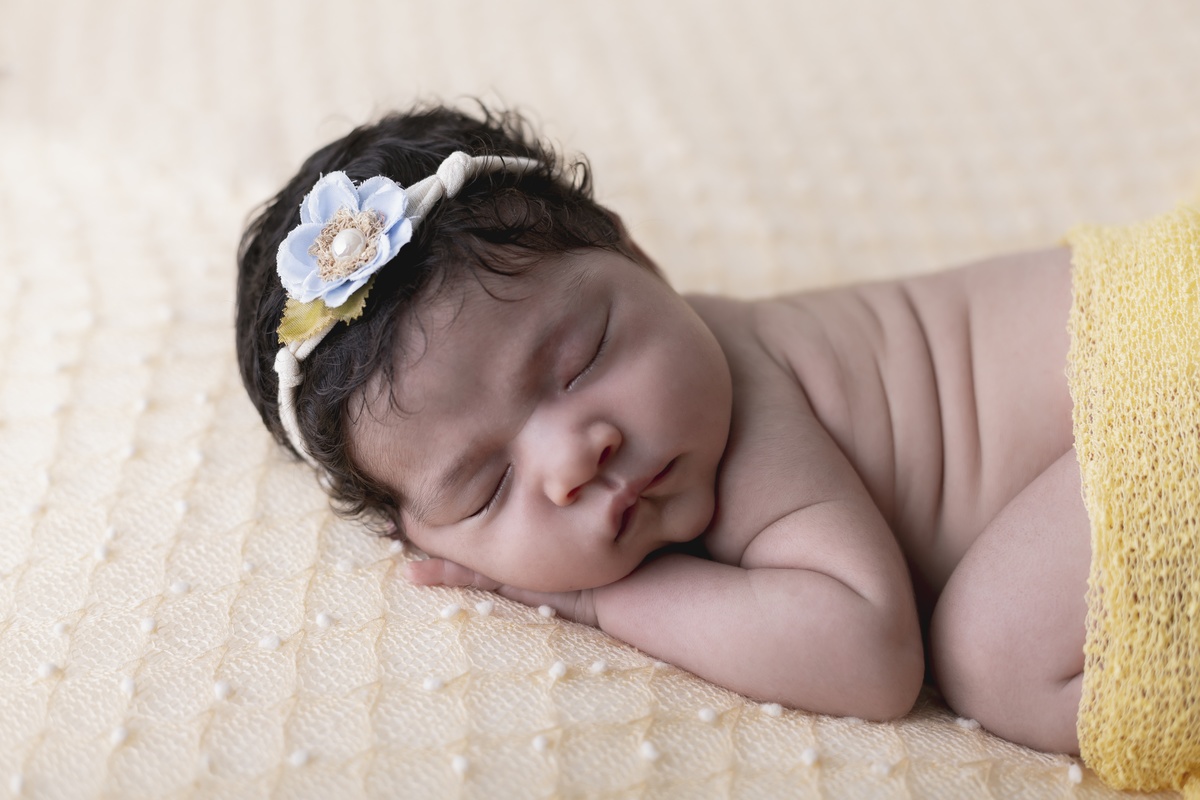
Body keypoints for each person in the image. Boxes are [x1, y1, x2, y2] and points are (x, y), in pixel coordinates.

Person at [236, 103, 1090, 755]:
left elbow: (871, 655)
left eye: (583, 359)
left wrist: (596, 600)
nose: (575, 452)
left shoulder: (743, 396)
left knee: (995, 653)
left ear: (639, 260)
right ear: (422, 537)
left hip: (1152, 362)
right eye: (487, 486)